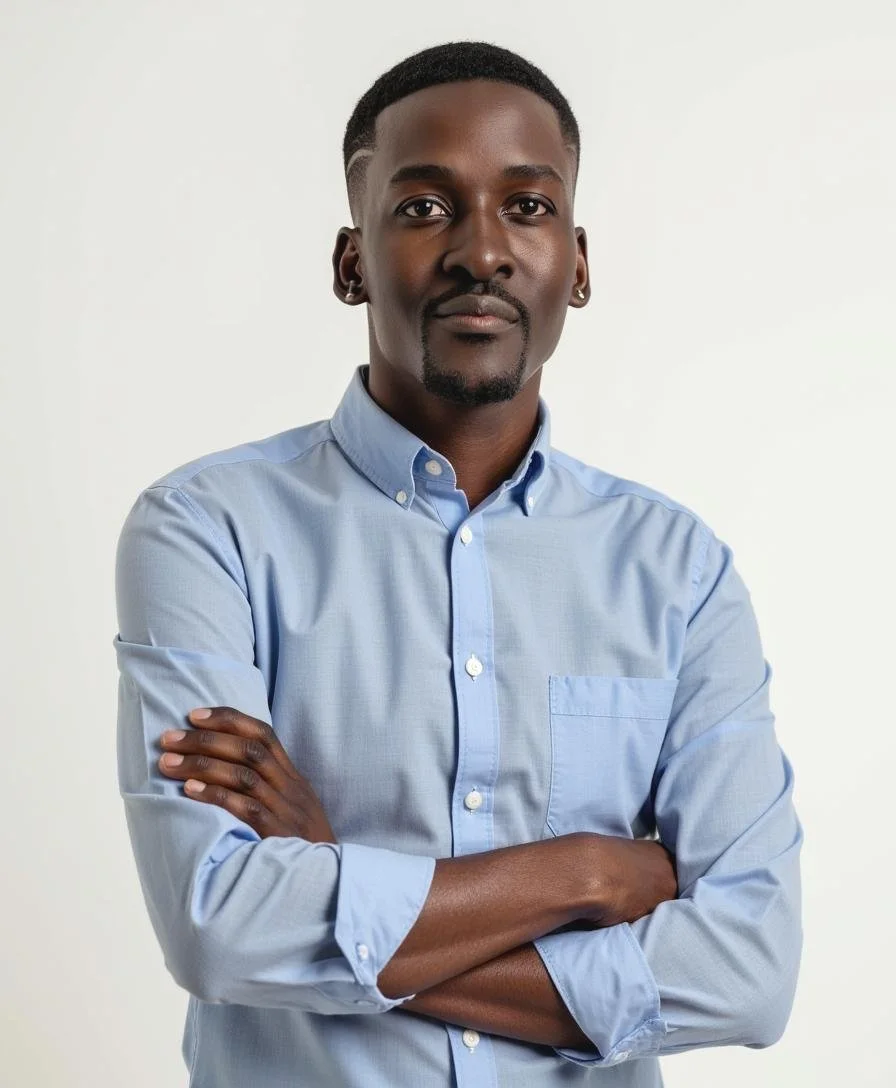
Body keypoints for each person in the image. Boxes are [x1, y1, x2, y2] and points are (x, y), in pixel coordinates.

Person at [113, 40, 803, 1088]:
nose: (479, 251)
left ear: (575, 261)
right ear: (351, 262)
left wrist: (336, 873)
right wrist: (582, 872)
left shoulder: (678, 571)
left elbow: (748, 973)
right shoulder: (207, 529)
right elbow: (219, 926)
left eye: (525, 207)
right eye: (425, 207)